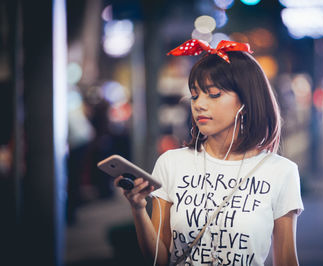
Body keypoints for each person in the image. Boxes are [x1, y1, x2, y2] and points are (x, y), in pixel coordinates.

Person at [114, 39, 304, 266]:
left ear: (246, 101)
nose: (199, 104)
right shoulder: (172, 163)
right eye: (195, 95)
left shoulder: (281, 172)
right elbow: (158, 260)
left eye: (213, 94)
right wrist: (138, 208)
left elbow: (286, 260)